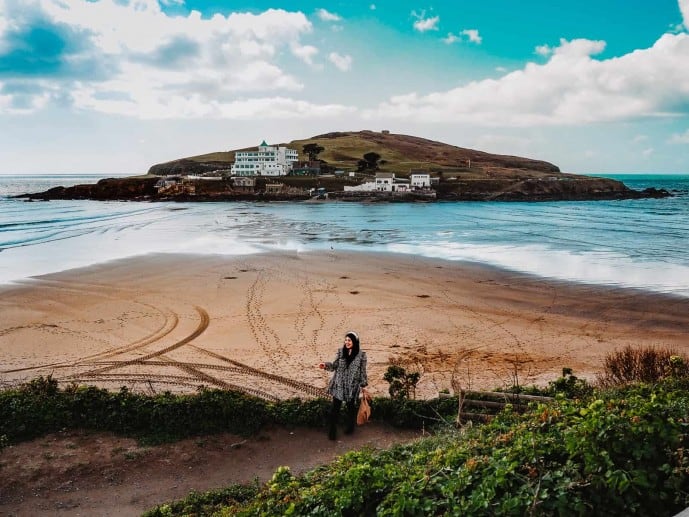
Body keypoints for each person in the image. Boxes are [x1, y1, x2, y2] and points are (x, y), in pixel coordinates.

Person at [318, 331, 369, 440]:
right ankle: (332, 432)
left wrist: (363, 385)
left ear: (355, 341)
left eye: (349, 340)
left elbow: (362, 372)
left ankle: (350, 427)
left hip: (352, 386)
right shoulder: (341, 352)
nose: (347, 342)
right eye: (345, 340)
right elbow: (334, 366)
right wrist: (325, 365)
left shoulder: (362, 356)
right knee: (335, 409)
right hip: (339, 384)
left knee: (350, 408)